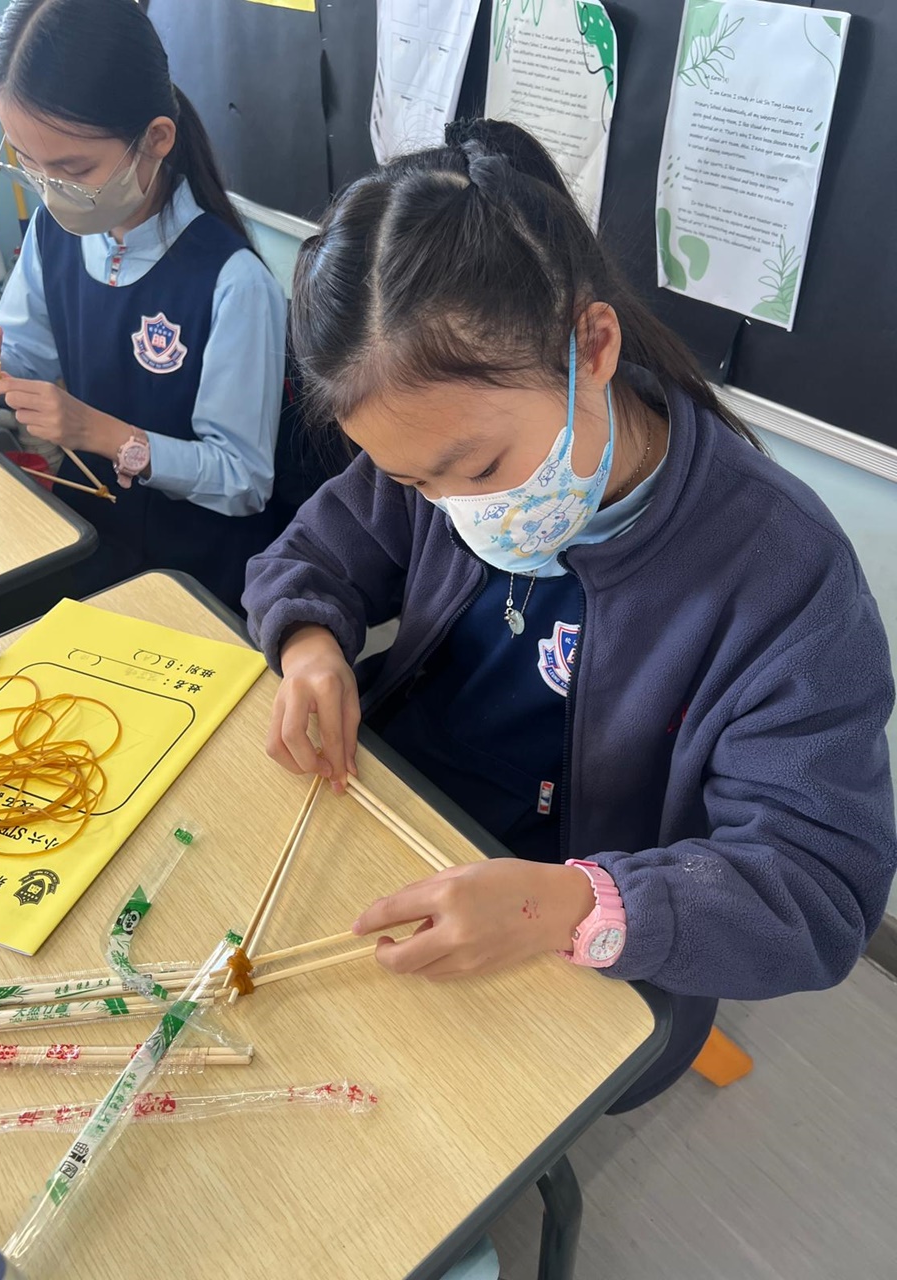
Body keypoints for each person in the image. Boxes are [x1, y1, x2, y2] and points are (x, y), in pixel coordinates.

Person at [245, 115, 895, 1128]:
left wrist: (571, 905)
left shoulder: (783, 572)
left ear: (591, 347)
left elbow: (818, 891)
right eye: (415, 484)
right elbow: (309, 556)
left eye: (479, 470)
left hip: (583, 920)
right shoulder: (430, 447)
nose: (454, 509)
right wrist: (311, 645)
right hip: (398, 817)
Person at [0, 0, 286, 611]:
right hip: (94, 542)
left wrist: (98, 432)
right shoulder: (53, 233)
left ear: (156, 140)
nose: (51, 192)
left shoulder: (234, 282)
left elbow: (244, 480)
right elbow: (22, 362)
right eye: (29, 164)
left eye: (73, 168)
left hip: (201, 575)